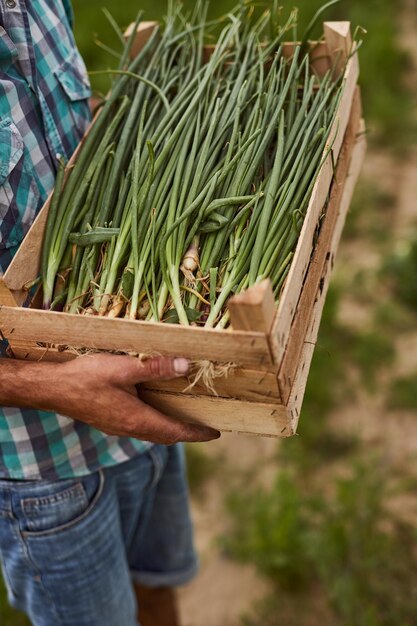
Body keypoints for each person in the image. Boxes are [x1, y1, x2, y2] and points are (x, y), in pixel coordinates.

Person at [0, 2, 220, 625]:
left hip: (146, 389)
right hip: (42, 470)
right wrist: (51, 384)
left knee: (158, 586)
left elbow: (69, 141)